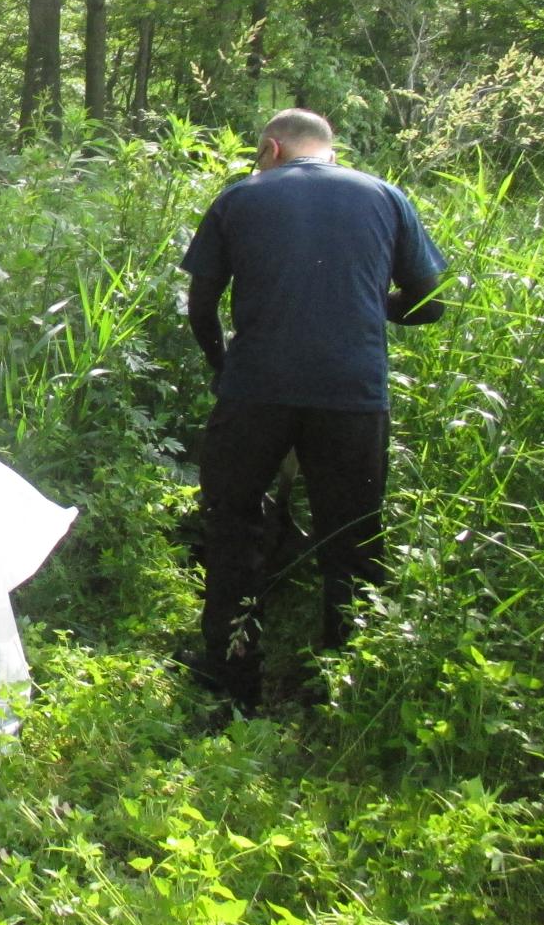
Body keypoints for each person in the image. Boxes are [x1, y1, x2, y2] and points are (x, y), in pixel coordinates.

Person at [180, 108, 448, 712]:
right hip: (351, 393)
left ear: (272, 149)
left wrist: (224, 365)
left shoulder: (239, 197)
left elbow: (201, 306)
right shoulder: (385, 196)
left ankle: (231, 674)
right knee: (351, 534)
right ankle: (338, 684)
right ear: (329, 150)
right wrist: (368, 304)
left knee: (233, 523)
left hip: (255, 391)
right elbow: (431, 301)